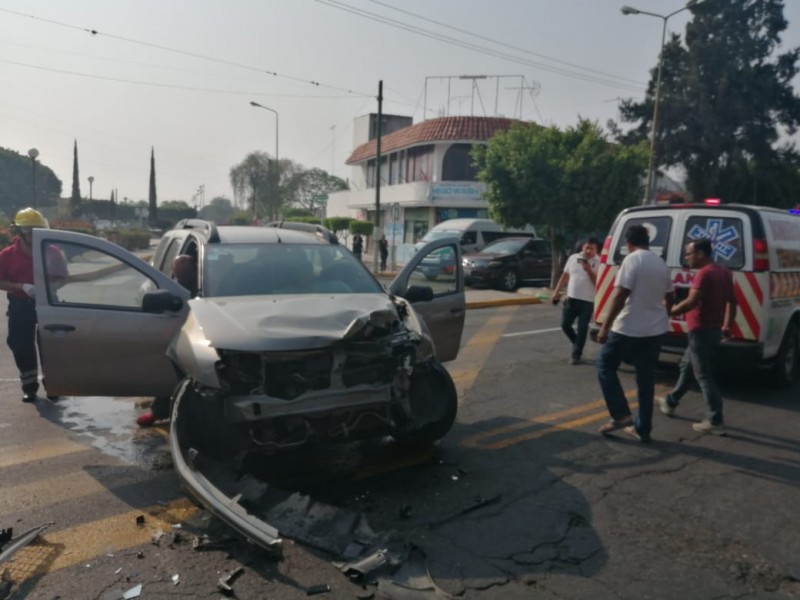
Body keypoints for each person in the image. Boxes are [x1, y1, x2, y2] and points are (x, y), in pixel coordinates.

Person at [596, 225, 674, 443]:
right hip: (654, 330)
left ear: (628, 243)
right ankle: (644, 428)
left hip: (629, 328)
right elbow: (670, 295)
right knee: (645, 378)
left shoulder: (632, 260)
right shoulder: (660, 263)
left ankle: (621, 415)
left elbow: (620, 295)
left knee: (604, 365)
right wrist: (664, 316)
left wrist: (604, 326)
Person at [656, 238, 736, 436]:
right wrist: (727, 325)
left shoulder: (704, 274)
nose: (686, 258)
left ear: (701, 254)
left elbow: (691, 302)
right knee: (687, 366)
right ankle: (671, 401)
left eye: (688, 254)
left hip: (700, 331)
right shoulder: (724, 272)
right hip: (713, 330)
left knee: (703, 375)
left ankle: (715, 419)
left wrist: (668, 311)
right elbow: (733, 301)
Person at [0, 208, 66, 403]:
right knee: (20, 345)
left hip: (47, 303)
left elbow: (64, 278)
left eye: (38, 230)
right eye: (30, 231)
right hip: (20, 304)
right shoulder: (7, 255)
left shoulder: (51, 252)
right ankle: (29, 387)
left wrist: (47, 287)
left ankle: (53, 386)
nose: (35, 235)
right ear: (20, 231)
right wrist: (21, 286)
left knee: (49, 345)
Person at [136, 253, 198, 427]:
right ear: (172, 272)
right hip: (176, 336)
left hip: (206, 335)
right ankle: (159, 411)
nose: (181, 277)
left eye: (186, 272)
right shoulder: (171, 288)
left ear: (195, 270)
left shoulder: (207, 286)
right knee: (172, 373)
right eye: (178, 273)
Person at [551, 237, 600, 365]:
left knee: (582, 328)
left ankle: (576, 354)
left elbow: (598, 284)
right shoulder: (573, 258)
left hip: (587, 302)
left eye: (591, 248)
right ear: (582, 247)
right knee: (565, 325)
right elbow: (565, 275)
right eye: (586, 247)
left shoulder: (599, 262)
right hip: (571, 298)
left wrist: (589, 270)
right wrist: (556, 292)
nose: (588, 251)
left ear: (596, 249)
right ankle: (578, 343)